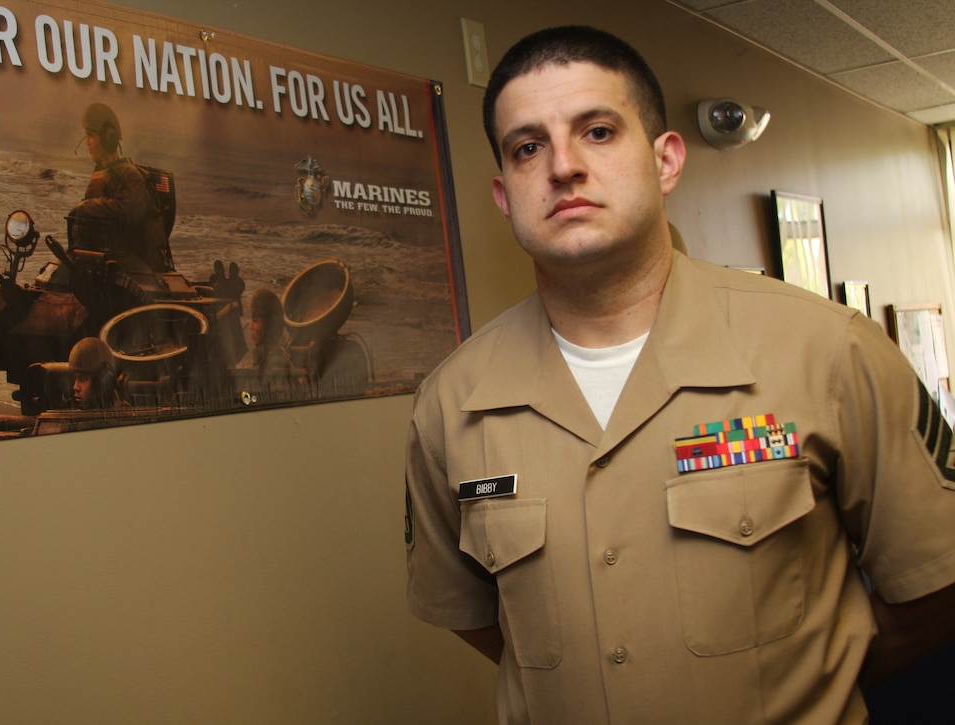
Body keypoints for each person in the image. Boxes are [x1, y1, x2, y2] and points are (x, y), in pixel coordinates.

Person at [404, 25, 955, 724]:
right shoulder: (451, 403)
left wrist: (815, 678)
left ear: (666, 161)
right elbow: (472, 613)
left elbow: (936, 584)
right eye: (527, 147)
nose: (563, 166)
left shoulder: (829, 350)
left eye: (598, 131)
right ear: (505, 194)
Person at [68, 102, 174, 272]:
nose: (86, 142)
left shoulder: (130, 175)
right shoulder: (102, 175)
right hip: (104, 261)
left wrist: (87, 206)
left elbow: (130, 210)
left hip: (135, 266)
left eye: (91, 136)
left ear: (108, 139)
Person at [68, 336, 123, 410]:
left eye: (83, 379)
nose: (75, 387)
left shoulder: (123, 415)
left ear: (102, 383)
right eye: (75, 378)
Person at [246, 288, 292, 375]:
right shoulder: (267, 353)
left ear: (269, 325)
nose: (250, 326)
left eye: (255, 320)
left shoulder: (274, 359)